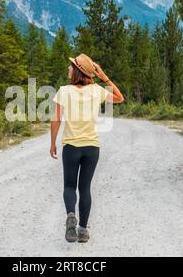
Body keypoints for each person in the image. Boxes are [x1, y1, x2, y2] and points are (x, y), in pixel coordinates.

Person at [50, 53, 124, 243]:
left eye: (71, 65)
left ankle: (70, 215)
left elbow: (56, 119)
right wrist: (103, 76)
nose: (68, 68)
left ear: (76, 70)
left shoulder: (64, 91)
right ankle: (82, 230)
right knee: (85, 189)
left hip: (71, 147)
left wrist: (52, 143)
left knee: (69, 186)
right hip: (92, 148)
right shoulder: (96, 90)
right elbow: (119, 97)